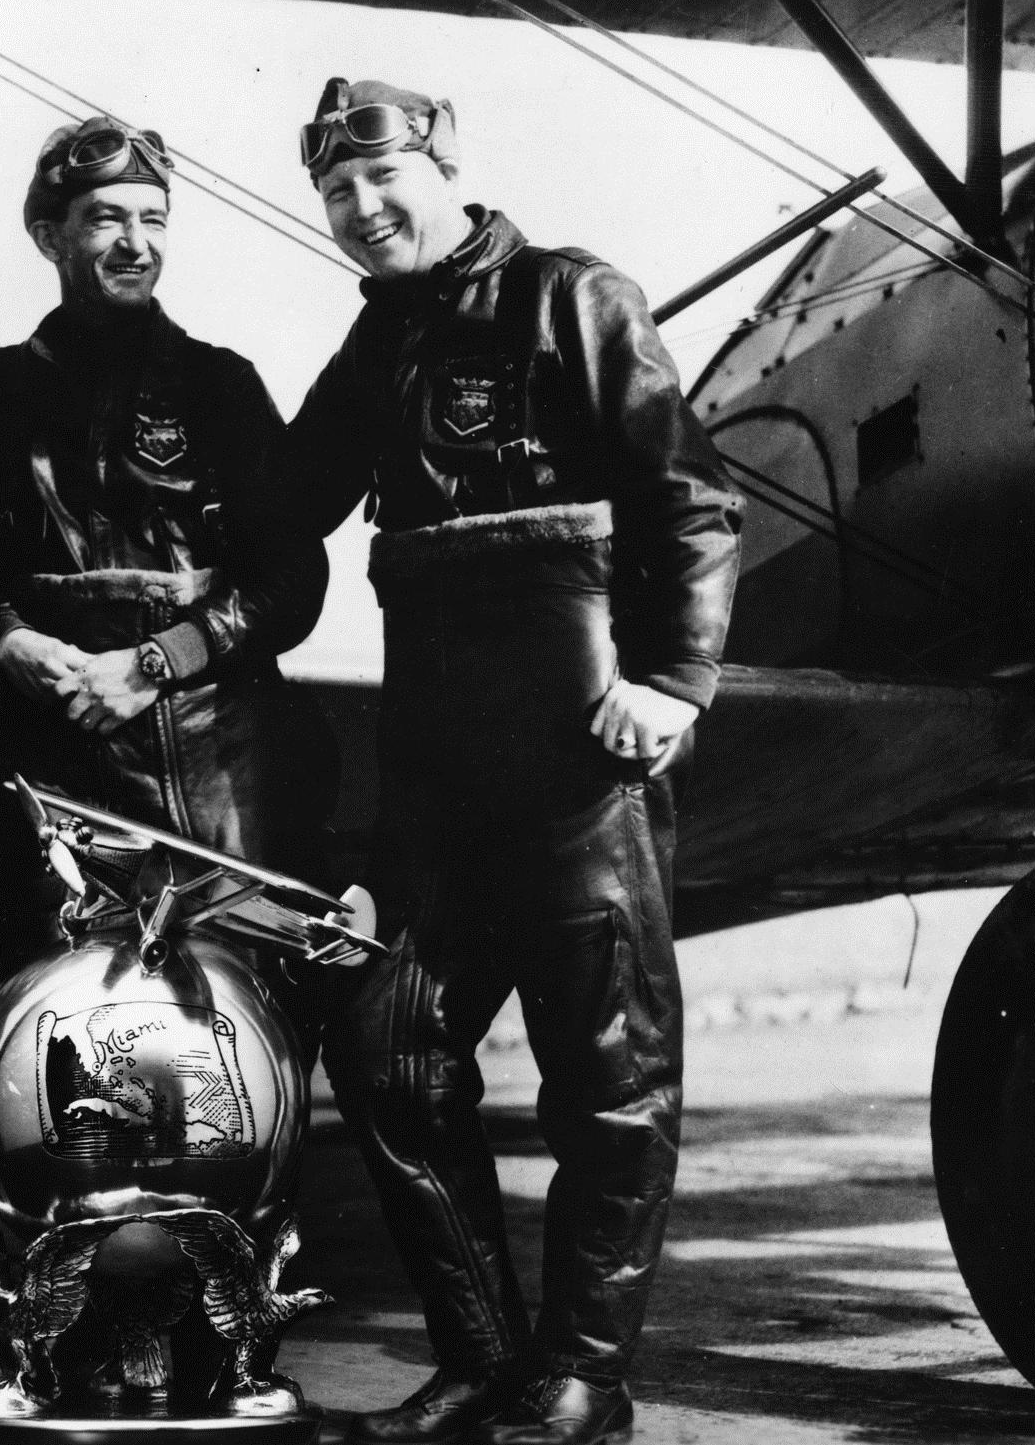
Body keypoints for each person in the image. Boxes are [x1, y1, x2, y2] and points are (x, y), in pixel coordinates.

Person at [287, 79, 743, 1445]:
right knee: (387, 1047)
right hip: (435, 773)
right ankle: (484, 1362)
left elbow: (692, 498)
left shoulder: (573, 297)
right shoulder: (377, 345)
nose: (364, 209)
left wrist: (675, 678)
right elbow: (276, 502)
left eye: (384, 178)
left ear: (444, 165)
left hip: (578, 756)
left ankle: (584, 1379)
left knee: (608, 1073)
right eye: (338, 192)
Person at [0, 115, 330, 990]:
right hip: (56, 785)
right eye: (107, 218)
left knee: (229, 1022)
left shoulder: (222, 384)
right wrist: (6, 637)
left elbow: (295, 578)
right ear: (49, 236)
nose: (136, 243)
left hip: (212, 786)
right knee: (59, 1025)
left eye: (154, 219)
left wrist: (157, 660)